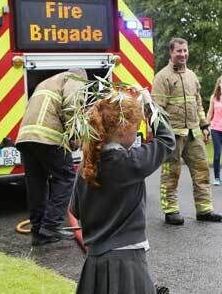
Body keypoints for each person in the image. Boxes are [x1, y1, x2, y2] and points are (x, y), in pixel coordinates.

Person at [70, 89, 175, 294]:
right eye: (136, 127)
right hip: (127, 264)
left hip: (95, 264)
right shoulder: (129, 163)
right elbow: (166, 140)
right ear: (122, 128)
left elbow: (75, 211)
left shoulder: (86, 165)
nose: (137, 132)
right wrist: (149, 105)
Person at [151, 37, 222, 225]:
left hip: (193, 133)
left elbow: (197, 102)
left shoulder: (191, 75)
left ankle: (204, 210)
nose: (183, 54)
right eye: (179, 51)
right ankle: (171, 211)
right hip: (172, 135)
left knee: (202, 171)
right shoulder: (162, 77)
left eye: (185, 50)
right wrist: (161, 134)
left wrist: (204, 125)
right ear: (171, 53)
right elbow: (155, 109)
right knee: (171, 173)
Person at [16, 68, 87, 246]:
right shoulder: (76, 77)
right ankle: (50, 227)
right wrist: (75, 137)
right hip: (48, 137)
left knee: (37, 183)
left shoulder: (47, 82)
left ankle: (38, 230)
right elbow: (72, 103)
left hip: (26, 137)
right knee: (66, 177)